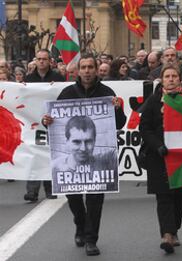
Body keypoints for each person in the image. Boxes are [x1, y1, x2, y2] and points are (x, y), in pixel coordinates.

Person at [42, 53, 126, 256]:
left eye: (90, 67)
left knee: (95, 200)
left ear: (97, 70)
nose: (87, 71)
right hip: (71, 168)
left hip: (96, 165)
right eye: (84, 67)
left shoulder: (107, 92)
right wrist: (47, 121)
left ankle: (91, 239)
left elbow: (120, 123)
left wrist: (117, 109)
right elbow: (56, 124)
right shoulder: (67, 93)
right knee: (74, 199)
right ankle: (80, 224)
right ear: (78, 71)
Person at [139, 64, 182, 254]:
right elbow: (145, 128)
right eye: (167, 76)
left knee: (179, 196)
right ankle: (167, 235)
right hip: (159, 155)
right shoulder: (153, 101)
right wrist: (158, 145)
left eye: (174, 76)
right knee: (163, 196)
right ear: (161, 80)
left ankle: (174, 229)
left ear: (180, 79)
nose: (171, 79)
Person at [24, 49, 65, 202]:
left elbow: (63, 96)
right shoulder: (29, 78)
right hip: (33, 122)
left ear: (50, 61)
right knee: (34, 155)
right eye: (39, 59)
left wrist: (57, 86)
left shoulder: (57, 77)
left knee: (50, 155)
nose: (41, 62)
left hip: (52, 121)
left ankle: (50, 189)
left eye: (44, 59)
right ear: (36, 61)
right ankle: (32, 192)